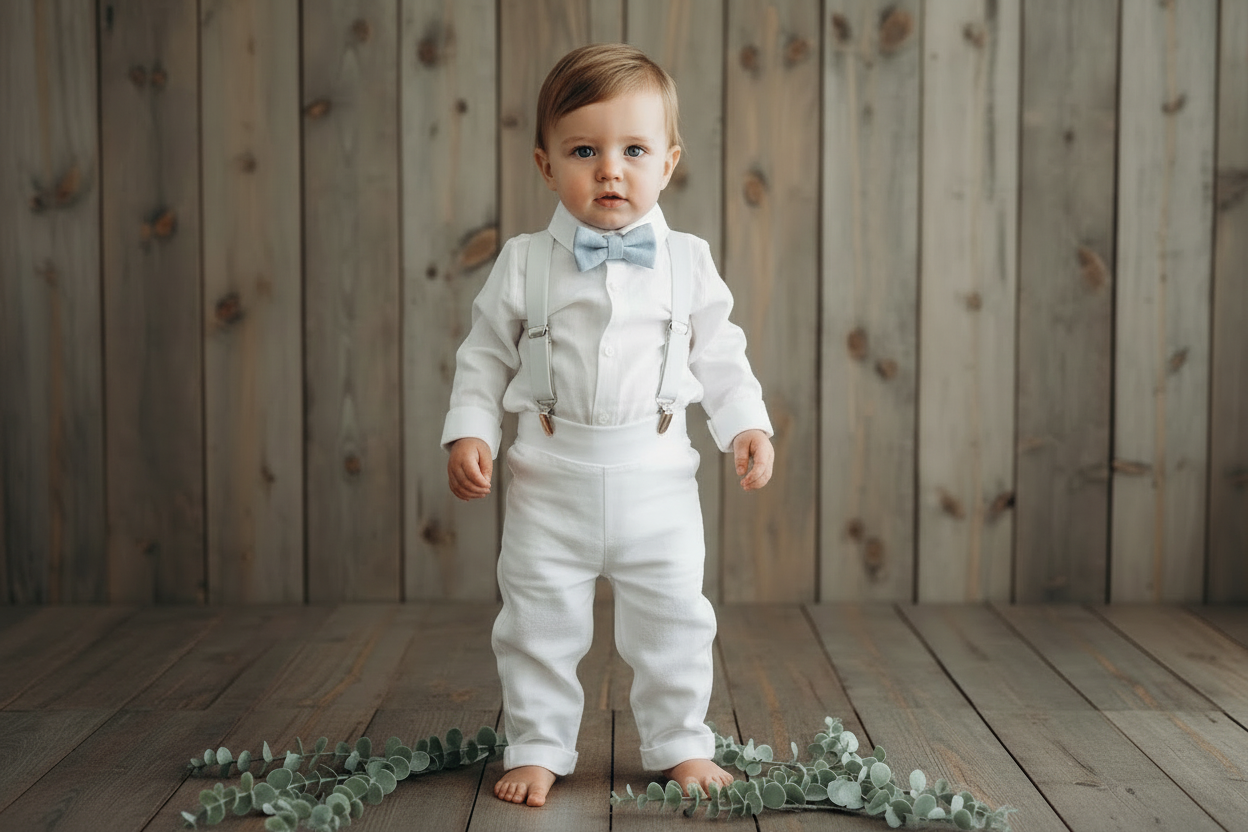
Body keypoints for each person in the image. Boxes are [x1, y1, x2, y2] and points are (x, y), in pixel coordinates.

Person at [442, 43, 774, 808]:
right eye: (584, 150)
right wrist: (472, 432)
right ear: (546, 163)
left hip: (657, 478)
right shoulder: (524, 262)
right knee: (536, 619)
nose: (609, 170)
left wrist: (745, 425)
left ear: (669, 162)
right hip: (547, 480)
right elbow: (484, 356)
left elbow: (721, 353)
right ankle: (538, 743)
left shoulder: (688, 260)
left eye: (633, 150)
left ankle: (681, 742)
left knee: (674, 620)